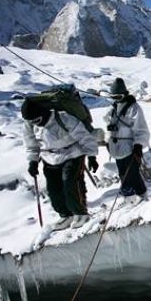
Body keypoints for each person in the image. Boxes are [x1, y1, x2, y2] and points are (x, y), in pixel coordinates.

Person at [22, 99, 98, 230]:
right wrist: (32, 162)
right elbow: (31, 145)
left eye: (37, 120)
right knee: (53, 189)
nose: (35, 123)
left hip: (72, 154)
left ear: (43, 113)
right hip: (49, 158)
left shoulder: (63, 118)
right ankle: (65, 215)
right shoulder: (30, 125)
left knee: (70, 183)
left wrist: (92, 156)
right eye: (31, 121)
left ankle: (81, 213)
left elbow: (84, 136)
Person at [103, 78, 150, 205]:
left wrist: (138, 145)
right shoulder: (113, 109)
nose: (116, 99)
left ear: (124, 94)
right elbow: (108, 123)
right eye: (113, 97)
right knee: (123, 173)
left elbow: (141, 128)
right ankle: (134, 196)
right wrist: (107, 141)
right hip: (116, 148)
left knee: (131, 173)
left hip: (130, 147)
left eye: (118, 96)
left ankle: (137, 196)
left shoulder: (134, 108)